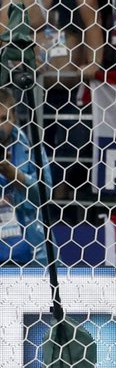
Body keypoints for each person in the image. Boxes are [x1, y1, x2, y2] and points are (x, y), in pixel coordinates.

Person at [0, 88, 49, 267]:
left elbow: (45, 195)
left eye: (3, 119)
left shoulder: (33, 149)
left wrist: (14, 175)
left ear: (13, 117)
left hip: (30, 254)